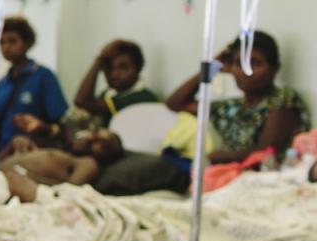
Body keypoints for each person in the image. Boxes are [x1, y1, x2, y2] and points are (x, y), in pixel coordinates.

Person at [165, 31, 310, 164]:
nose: (246, 71)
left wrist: (217, 157)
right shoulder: (231, 108)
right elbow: (175, 103)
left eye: (255, 63)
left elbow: (266, 151)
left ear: (275, 68)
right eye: (239, 64)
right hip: (226, 175)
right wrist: (213, 66)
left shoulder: (283, 99)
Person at [0, 16, 68, 155]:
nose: (6, 47)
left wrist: (41, 126)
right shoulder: (1, 85)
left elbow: (61, 122)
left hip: (36, 153)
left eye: (12, 41)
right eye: (2, 42)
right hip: (4, 154)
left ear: (27, 43)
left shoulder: (44, 76)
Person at [74, 40, 159, 126]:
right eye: (109, 68)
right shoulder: (110, 93)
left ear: (137, 69)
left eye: (123, 67)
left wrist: (99, 59)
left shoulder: (142, 97)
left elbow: (82, 101)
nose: (114, 74)